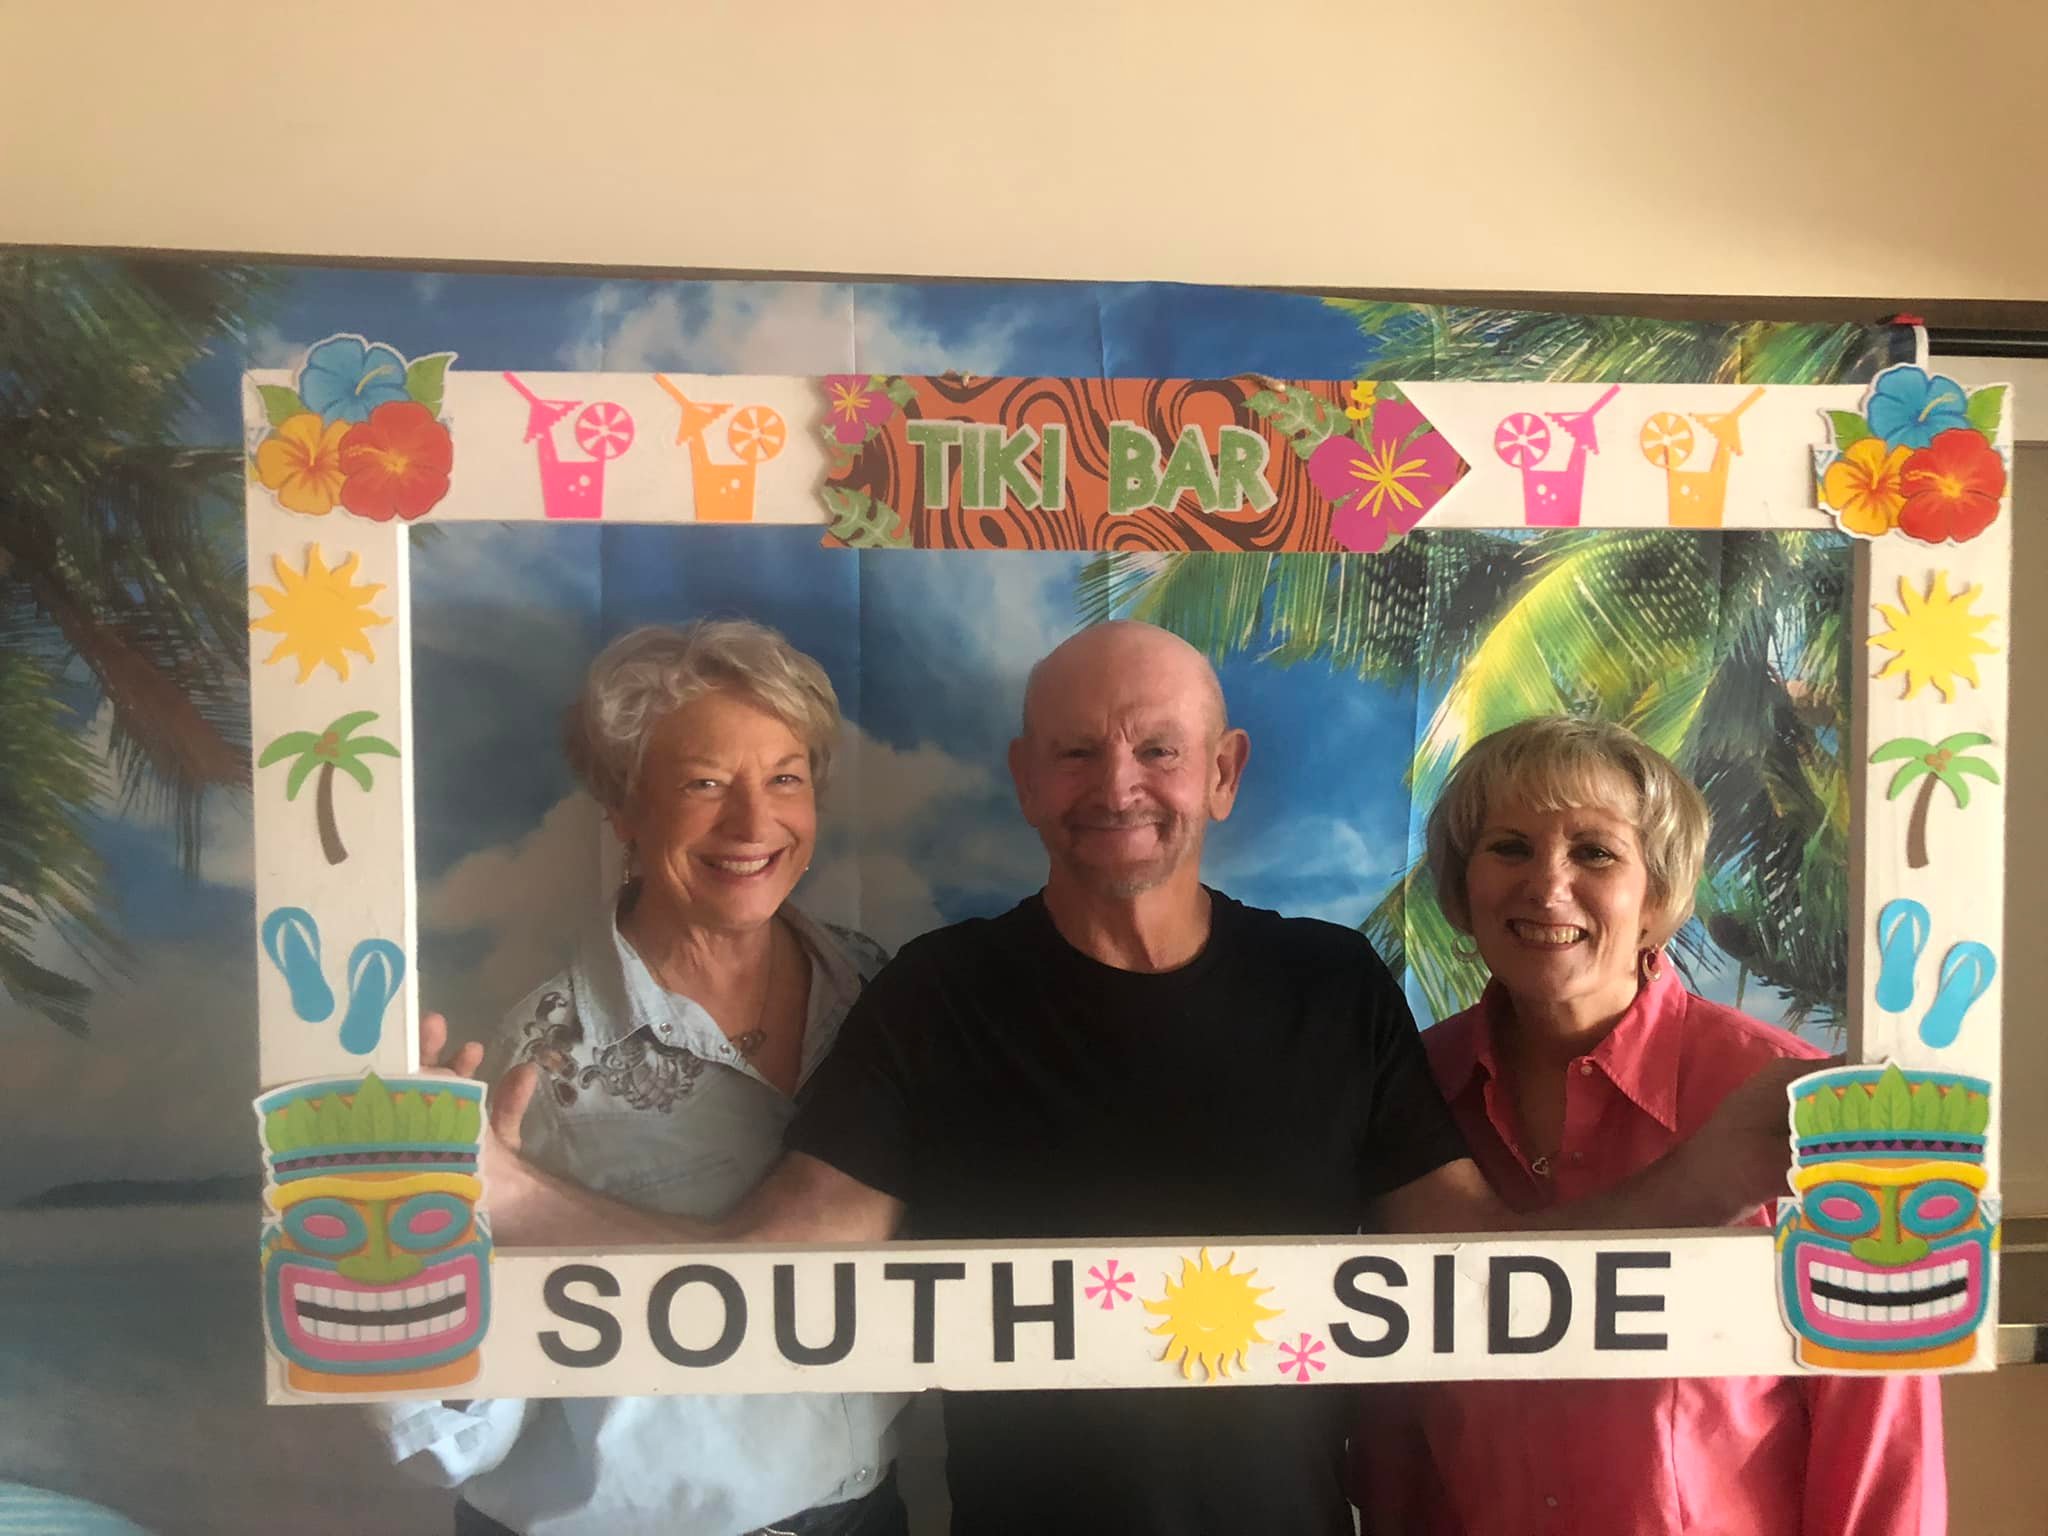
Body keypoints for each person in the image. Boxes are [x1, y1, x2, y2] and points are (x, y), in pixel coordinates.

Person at [465, 621, 1821, 1536]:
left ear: (1221, 775)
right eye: (1076, 751)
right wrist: (511, 1200)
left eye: (1158, 749)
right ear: (1024, 780)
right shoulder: (936, 994)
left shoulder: (1331, 985)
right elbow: (780, 1266)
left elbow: (1472, 1269)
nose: (1118, 785)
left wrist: (1705, 1179)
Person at [1351, 716, 1943, 1535]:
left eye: (1595, 852)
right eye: (1510, 848)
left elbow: (1881, 1448)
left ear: (1658, 898)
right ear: (1461, 889)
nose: (1547, 886)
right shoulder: (1406, 1094)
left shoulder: (1802, 1105)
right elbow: (1394, 1425)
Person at [380, 621, 910, 1536]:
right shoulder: (540, 1058)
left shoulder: (881, 995)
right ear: (624, 811)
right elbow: (454, 1439)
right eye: (704, 784)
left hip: (860, 1516)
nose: (753, 824)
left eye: (785, 779)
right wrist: (422, 1240)